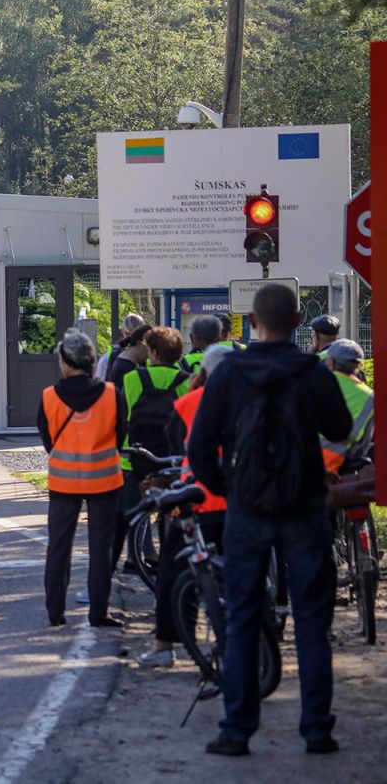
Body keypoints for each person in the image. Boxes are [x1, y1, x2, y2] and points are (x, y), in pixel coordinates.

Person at [189, 284, 350, 757]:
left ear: (253, 322)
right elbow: (340, 429)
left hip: (248, 510)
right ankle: (317, 730)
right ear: (299, 320)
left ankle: (237, 730)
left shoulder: (229, 373)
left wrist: (229, 489)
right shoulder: (312, 371)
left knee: (241, 618)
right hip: (304, 508)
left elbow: (199, 447)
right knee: (311, 620)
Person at [137, 343, 232, 668]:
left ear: (203, 372)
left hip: (198, 498)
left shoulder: (190, 402)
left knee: (175, 568)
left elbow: (176, 444)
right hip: (243, 501)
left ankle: (166, 645)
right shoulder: (254, 399)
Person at [38, 331, 127, 629]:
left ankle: (54, 612)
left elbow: (48, 441)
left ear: (64, 363)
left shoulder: (49, 396)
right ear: (90, 361)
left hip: (63, 484)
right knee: (101, 548)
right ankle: (98, 612)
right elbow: (121, 436)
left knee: (58, 547)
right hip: (105, 482)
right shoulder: (113, 394)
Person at [113, 326, 190, 573]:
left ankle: (128, 562)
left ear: (154, 353)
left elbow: (121, 418)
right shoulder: (187, 382)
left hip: (135, 460)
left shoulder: (133, 378)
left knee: (129, 516)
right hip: (173, 461)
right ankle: (169, 565)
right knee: (171, 517)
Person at [320, 339, 373, 475]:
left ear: (331, 362)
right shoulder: (370, 398)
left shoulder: (317, 384)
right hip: (337, 471)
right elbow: (363, 444)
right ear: (360, 365)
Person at [96, 313, 146, 380]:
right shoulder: (108, 356)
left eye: (136, 336)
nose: (131, 339)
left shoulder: (149, 356)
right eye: (127, 334)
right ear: (122, 331)